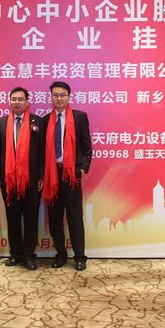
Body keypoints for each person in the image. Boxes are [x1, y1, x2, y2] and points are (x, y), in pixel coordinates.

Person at [0, 87, 44, 270]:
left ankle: (29, 256)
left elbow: (42, 152)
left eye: (20, 99)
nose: (16, 102)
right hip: (9, 180)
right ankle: (15, 254)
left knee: (31, 219)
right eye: (13, 99)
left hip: (31, 180)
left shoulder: (37, 122)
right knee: (12, 219)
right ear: (9, 101)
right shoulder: (1, 123)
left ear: (27, 102)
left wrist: (41, 176)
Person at [43, 81, 92, 271]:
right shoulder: (45, 120)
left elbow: (87, 147)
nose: (59, 98)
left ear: (69, 97)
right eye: (55, 95)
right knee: (55, 219)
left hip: (71, 175)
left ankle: (80, 257)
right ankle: (61, 254)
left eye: (62, 95)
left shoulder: (80, 117)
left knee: (74, 217)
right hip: (52, 175)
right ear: (51, 97)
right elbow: (41, 152)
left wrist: (83, 168)